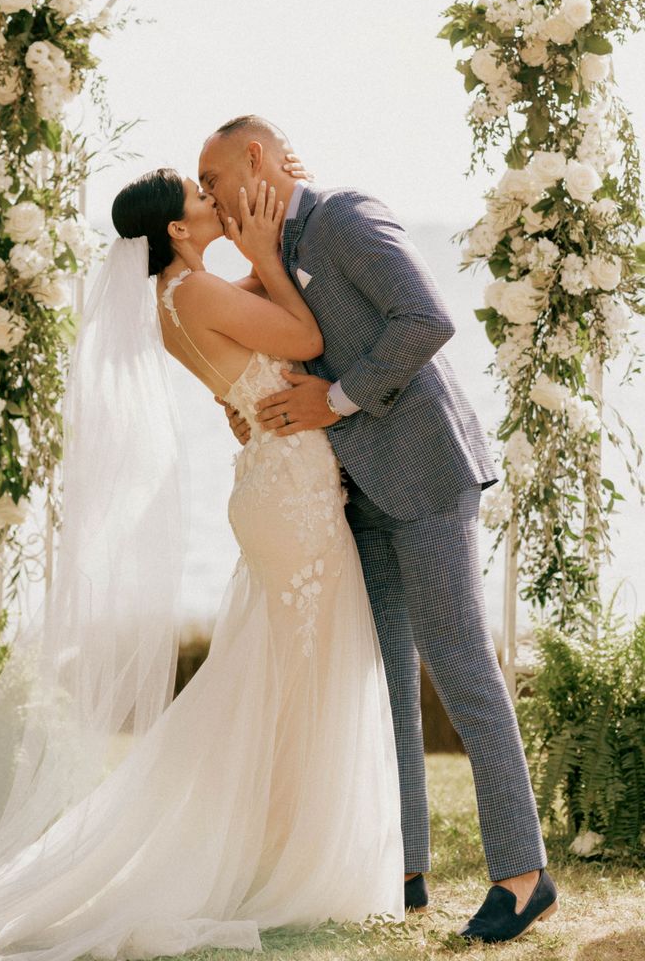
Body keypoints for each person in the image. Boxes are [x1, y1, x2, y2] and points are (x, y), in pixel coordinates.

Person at [0, 166, 403, 960]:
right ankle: (282, 861)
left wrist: (256, 255)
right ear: (176, 229)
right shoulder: (196, 294)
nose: (215, 206)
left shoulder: (180, 297)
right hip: (289, 494)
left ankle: (275, 852)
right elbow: (306, 339)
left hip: (276, 487)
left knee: (283, 680)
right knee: (302, 677)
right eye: (203, 201)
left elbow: (253, 325)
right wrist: (271, 257)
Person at [200, 115, 559, 945]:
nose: (211, 197)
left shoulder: (347, 217)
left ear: (255, 158)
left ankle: (524, 874)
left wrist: (337, 398)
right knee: (388, 676)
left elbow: (427, 320)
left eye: (213, 177)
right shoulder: (275, 252)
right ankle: (404, 869)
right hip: (354, 493)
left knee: (461, 667)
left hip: (427, 473)